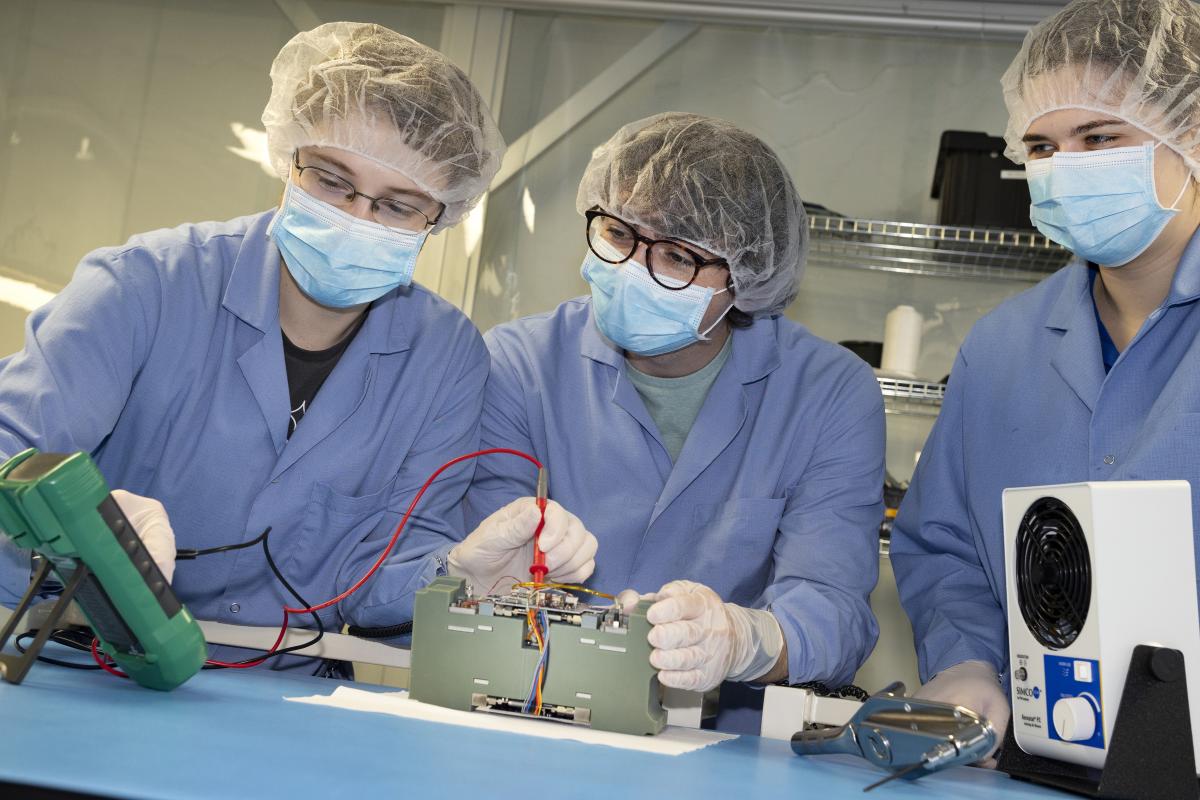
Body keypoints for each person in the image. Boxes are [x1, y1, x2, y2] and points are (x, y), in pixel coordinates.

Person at [0, 22, 595, 672]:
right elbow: (13, 453)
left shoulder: (446, 361)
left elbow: (378, 581)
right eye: (333, 181)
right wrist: (78, 526)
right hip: (85, 664)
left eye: (398, 207)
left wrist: (455, 575)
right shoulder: (142, 286)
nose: (356, 220)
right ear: (288, 157)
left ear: (441, 218)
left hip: (284, 696)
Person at [466, 112, 886, 732]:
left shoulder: (826, 393)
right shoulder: (520, 364)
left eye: (678, 255)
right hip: (531, 714)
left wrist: (746, 638)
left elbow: (836, 609)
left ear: (746, 276)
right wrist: (494, 572)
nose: (633, 268)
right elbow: (480, 563)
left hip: (724, 742)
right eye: (618, 233)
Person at [890, 0, 1200, 761]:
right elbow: (944, 542)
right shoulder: (1001, 349)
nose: (1066, 168)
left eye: (1099, 137)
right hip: (1041, 756)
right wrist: (967, 661)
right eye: (1040, 145)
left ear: (1189, 131)